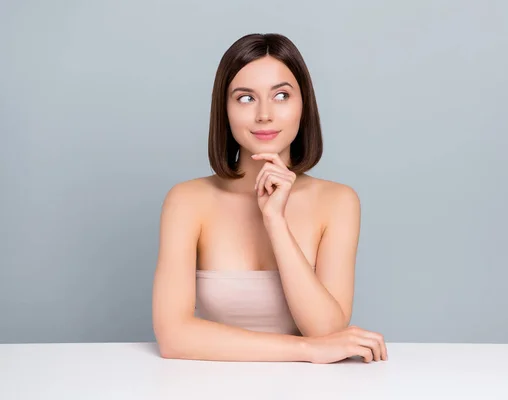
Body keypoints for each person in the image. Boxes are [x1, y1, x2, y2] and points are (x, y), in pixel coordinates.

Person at [152, 33, 388, 364]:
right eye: (245, 98)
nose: (264, 114)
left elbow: (327, 329)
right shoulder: (186, 201)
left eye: (281, 95)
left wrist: (275, 221)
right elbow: (174, 337)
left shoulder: (338, 202)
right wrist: (305, 351)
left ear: (303, 105)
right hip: (205, 387)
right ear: (225, 109)